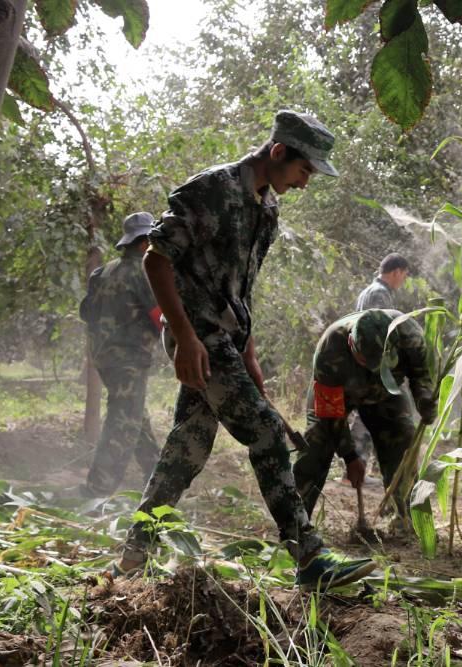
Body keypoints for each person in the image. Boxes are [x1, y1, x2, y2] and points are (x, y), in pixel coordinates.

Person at [111, 110, 374, 590]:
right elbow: (156, 259)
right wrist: (186, 339)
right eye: (304, 170)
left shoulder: (267, 209)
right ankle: (309, 556)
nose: (306, 182)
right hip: (200, 339)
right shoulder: (210, 190)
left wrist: (249, 357)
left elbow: (241, 289)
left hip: (226, 342)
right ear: (278, 153)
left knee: (185, 450)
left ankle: (133, 553)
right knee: (267, 433)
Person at [295, 309, 436, 522]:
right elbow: (330, 413)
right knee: (316, 443)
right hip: (337, 397)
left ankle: (405, 518)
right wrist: (350, 457)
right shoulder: (330, 347)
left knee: (403, 438)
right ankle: (296, 523)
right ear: (352, 346)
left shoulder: (410, 336)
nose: (373, 370)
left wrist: (424, 400)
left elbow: (422, 375)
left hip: (387, 394)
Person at [78, 212, 162, 497]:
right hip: (129, 360)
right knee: (123, 422)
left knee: (135, 416)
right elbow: (159, 317)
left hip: (103, 358)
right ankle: (97, 490)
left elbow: (86, 313)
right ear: (143, 244)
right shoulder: (145, 271)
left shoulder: (102, 273)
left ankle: (160, 483)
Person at [344, 253, 412, 485]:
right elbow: (382, 333)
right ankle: (355, 471)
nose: (402, 281)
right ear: (396, 272)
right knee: (370, 416)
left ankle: (359, 470)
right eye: (403, 275)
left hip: (363, 362)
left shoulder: (368, 291)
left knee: (368, 415)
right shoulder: (380, 294)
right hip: (373, 365)